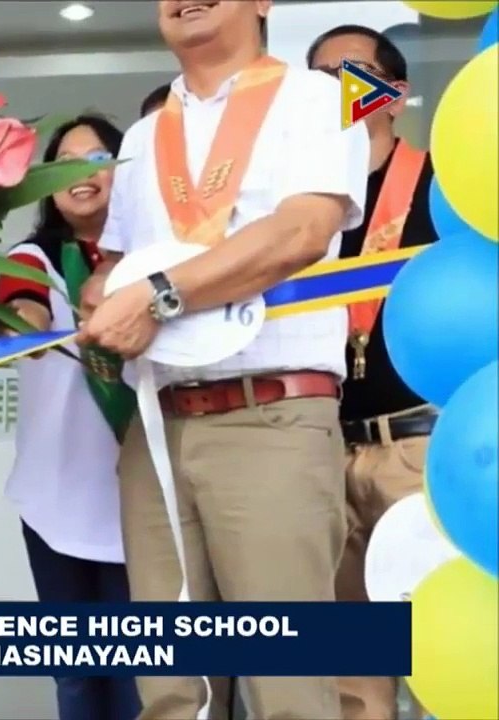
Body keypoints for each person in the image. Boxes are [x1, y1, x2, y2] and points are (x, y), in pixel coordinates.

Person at [78, 1, 369, 718]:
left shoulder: (319, 98)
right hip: (157, 428)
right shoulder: (144, 136)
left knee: (288, 687)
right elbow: (113, 266)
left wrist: (158, 297)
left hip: (270, 416)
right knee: (172, 687)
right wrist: (100, 300)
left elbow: (303, 230)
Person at [0, 115, 141, 720]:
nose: (83, 174)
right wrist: (25, 326)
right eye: (68, 163)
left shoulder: (150, 258)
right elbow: (20, 313)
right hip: (55, 496)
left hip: (139, 494)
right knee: (75, 672)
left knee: (138, 672)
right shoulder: (31, 257)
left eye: (98, 158)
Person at [308, 25, 437, 720]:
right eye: (320, 76)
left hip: (420, 446)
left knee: (442, 648)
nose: (334, 88)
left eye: (352, 73)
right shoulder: (298, 206)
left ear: (395, 92)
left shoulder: (446, 189)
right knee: (350, 673)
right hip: (322, 445)